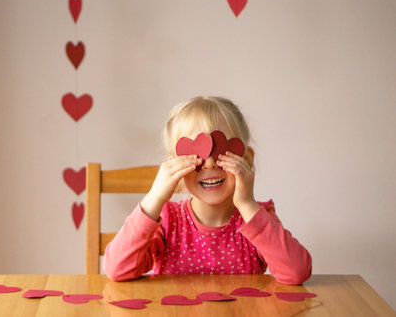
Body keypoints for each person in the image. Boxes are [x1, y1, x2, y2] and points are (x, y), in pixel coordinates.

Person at [104, 96, 312, 285]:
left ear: (246, 160)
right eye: (196, 153)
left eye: (222, 151)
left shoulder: (258, 217)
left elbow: (296, 272)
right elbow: (117, 269)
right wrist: (155, 197)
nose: (210, 163)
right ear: (175, 167)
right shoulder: (167, 220)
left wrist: (247, 204)